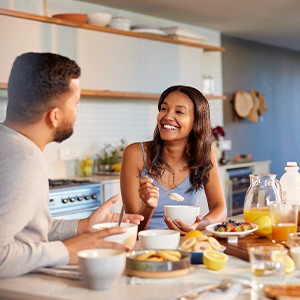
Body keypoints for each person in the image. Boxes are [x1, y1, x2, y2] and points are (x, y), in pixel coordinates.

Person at [0, 52, 143, 278]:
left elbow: (23, 232)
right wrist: (68, 250)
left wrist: (82, 226)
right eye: (75, 103)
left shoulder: (8, 144)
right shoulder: (24, 161)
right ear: (54, 116)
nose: (77, 110)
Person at [120, 85, 227, 233]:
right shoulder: (135, 154)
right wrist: (148, 206)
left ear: (196, 122)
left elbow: (220, 208)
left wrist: (198, 225)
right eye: (164, 109)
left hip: (185, 240)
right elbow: (135, 227)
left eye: (179, 112)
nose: (167, 117)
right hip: (146, 245)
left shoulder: (204, 153)